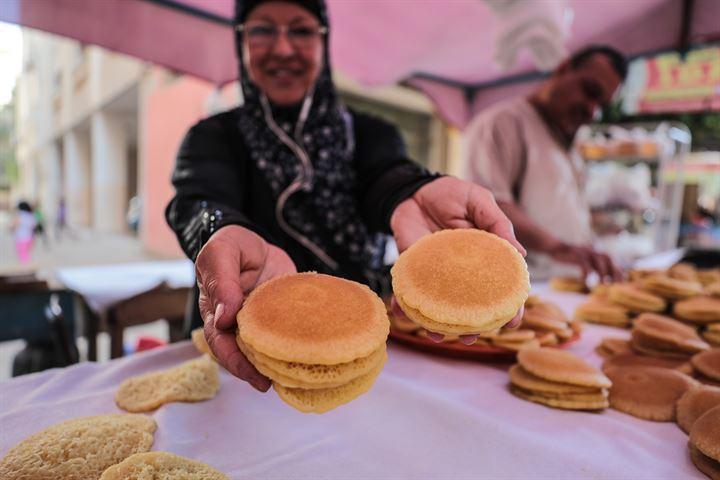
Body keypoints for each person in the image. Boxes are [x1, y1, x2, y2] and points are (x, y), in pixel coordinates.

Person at [166, 0, 525, 391]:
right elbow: (198, 200)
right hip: (240, 353)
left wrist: (412, 189)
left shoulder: (371, 132)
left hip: (354, 354)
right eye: (262, 30)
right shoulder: (213, 137)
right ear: (241, 43)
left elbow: (382, 175)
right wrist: (220, 228)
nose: (283, 48)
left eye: (301, 31)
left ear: (324, 42)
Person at [463, 46, 627, 282]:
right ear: (563, 69)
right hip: (518, 291)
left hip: (563, 290)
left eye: (601, 105)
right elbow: (488, 207)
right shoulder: (503, 123)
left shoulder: (567, 144)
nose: (592, 111)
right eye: (590, 91)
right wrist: (558, 248)